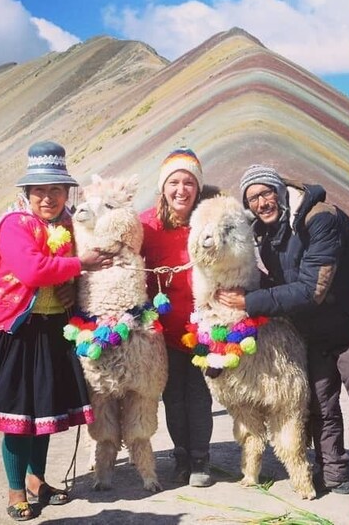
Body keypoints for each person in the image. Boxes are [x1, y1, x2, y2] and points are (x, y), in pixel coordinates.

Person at [0, 141, 114, 522]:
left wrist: (75, 279)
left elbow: (70, 268)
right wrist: (79, 263)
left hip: (54, 329)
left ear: (66, 192)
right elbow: (33, 270)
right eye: (40, 190)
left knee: (46, 413)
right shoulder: (14, 226)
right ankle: (15, 489)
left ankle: (38, 481)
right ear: (27, 193)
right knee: (20, 417)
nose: (48, 198)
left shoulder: (69, 226)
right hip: (17, 333)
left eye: (56, 189)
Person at [216, 164, 349, 517]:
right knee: (319, 404)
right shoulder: (267, 233)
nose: (261, 202)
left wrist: (248, 302)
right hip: (317, 328)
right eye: (252, 198)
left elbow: (311, 288)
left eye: (266, 192)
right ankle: (333, 474)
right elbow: (284, 281)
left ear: (281, 190)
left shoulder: (320, 219)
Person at [140, 148, 216, 488]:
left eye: (188, 182)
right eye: (174, 182)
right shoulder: (145, 226)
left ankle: (201, 458)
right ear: (163, 187)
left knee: (199, 393)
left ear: (198, 188)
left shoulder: (209, 223)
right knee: (173, 395)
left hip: (202, 327)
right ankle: (181, 455)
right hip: (162, 330)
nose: (181, 190)